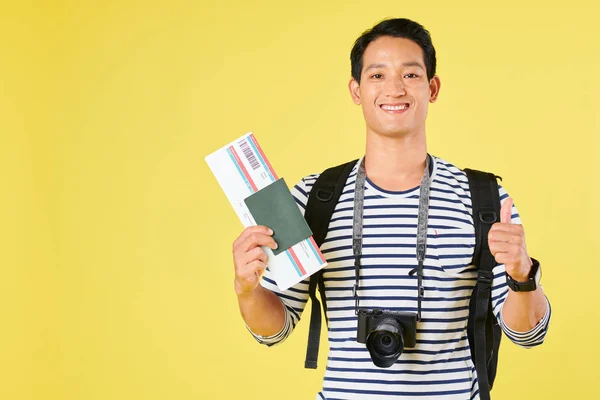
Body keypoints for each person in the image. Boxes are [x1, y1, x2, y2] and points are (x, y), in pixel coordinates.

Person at [231, 18, 551, 400]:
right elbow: (275, 329)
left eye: (411, 74)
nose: (394, 89)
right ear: (356, 90)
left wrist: (521, 275)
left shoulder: (484, 198)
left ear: (432, 88)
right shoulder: (314, 197)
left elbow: (528, 333)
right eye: (377, 75)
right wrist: (247, 289)